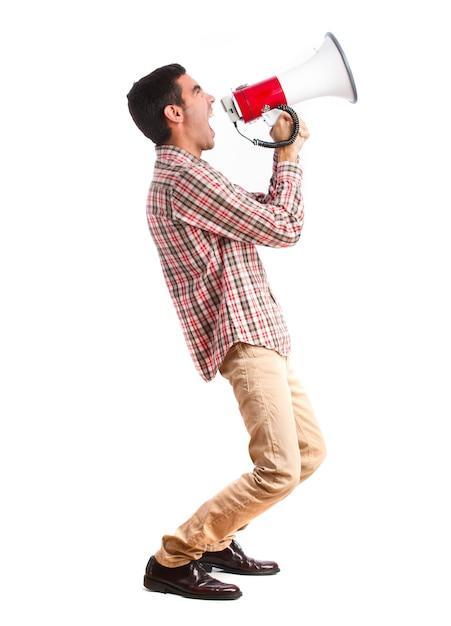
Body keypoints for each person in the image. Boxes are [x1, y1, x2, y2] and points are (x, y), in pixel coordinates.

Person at [127, 63, 327, 601]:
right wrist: (287, 156)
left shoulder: (195, 174)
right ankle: (173, 559)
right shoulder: (184, 178)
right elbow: (284, 227)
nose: (212, 98)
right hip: (243, 334)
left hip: (261, 330)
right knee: (279, 468)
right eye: (197, 91)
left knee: (307, 451)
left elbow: (256, 215)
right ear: (174, 112)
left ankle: (216, 539)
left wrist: (283, 155)